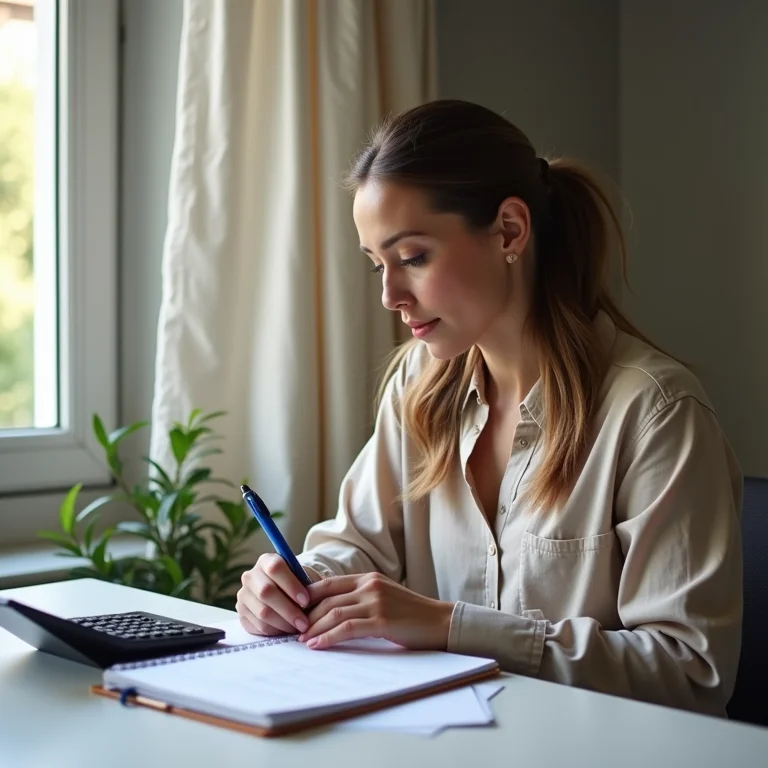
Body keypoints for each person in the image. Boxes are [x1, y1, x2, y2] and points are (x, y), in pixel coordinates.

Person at [236, 99, 742, 716]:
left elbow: (688, 673)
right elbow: (358, 547)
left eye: (413, 257)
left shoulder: (655, 413)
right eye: (377, 266)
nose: (391, 295)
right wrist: (296, 585)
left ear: (508, 230)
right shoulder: (419, 386)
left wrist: (450, 626)